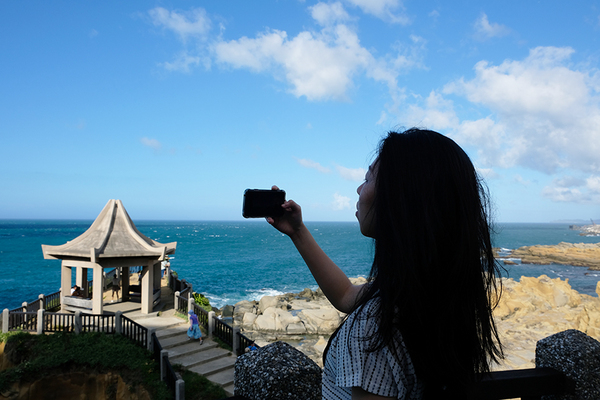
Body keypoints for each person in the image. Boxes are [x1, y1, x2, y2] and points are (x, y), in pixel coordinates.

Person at [267, 128, 504, 399]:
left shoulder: (375, 328)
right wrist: (298, 231)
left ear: (400, 197)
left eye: (368, 178)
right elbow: (346, 295)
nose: (358, 188)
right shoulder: (437, 293)